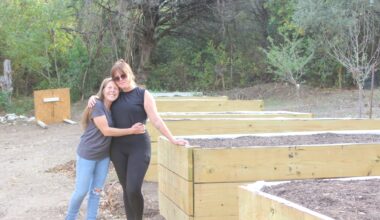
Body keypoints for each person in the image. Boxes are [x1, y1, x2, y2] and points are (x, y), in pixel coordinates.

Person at [88, 59, 189, 220]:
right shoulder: (116, 94)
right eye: (116, 78)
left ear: (130, 74)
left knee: (133, 188)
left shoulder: (143, 94)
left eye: (123, 75)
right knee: (126, 190)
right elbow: (102, 98)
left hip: (139, 147)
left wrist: (172, 139)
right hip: (118, 149)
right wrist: (92, 97)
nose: (121, 80)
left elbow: (155, 119)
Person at [66, 78, 146, 220]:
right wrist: (131, 130)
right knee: (81, 191)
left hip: (103, 157)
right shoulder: (97, 105)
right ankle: (70, 217)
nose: (112, 91)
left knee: (96, 192)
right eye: (109, 88)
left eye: (115, 88)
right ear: (103, 90)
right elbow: (106, 131)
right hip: (88, 155)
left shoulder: (114, 107)